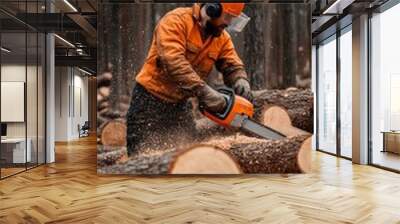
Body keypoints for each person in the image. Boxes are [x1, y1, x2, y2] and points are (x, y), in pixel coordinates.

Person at [126, 3, 252, 156]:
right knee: (142, 156)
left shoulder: (222, 38)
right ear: (213, 8)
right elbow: (172, 62)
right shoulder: (176, 21)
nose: (229, 23)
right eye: (228, 17)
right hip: (149, 101)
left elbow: (231, 63)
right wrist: (204, 91)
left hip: (180, 105)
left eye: (233, 18)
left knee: (188, 154)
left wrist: (239, 79)